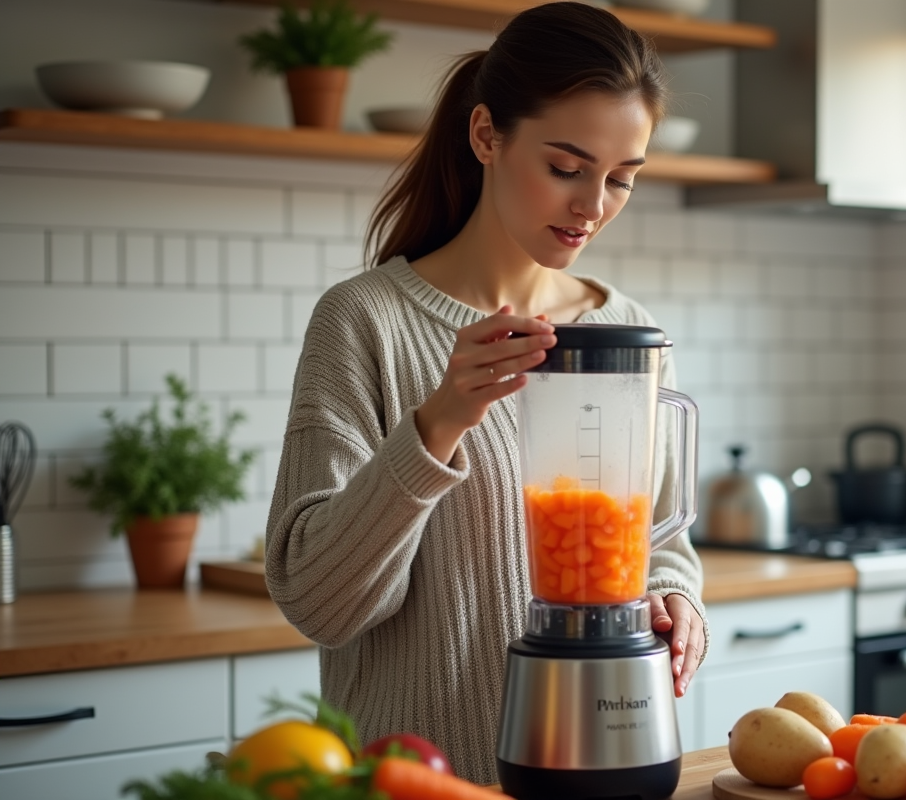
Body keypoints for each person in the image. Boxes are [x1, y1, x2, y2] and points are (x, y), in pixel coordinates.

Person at [264, 1, 708, 785]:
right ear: (485, 136)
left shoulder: (625, 332)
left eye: (622, 179)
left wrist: (676, 598)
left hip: (605, 770)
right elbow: (318, 604)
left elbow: (660, 542)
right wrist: (439, 421)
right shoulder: (365, 321)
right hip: (420, 782)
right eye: (566, 168)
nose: (593, 206)